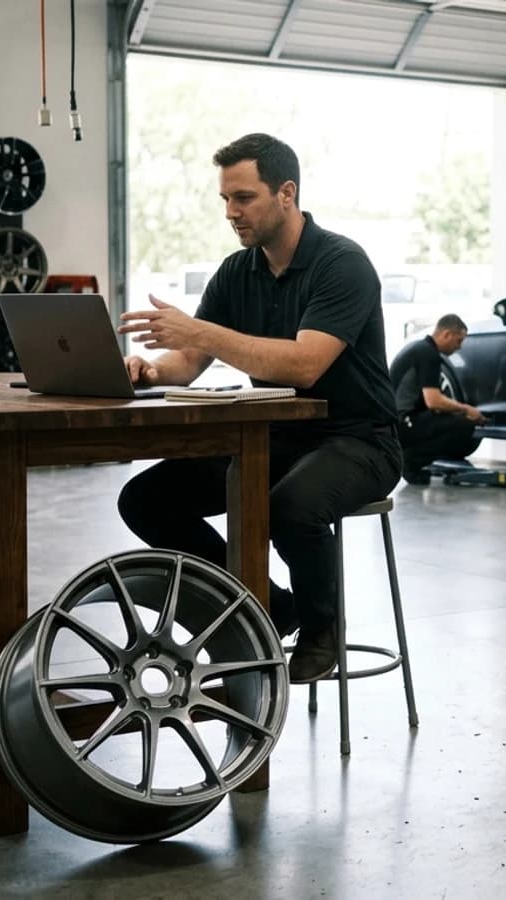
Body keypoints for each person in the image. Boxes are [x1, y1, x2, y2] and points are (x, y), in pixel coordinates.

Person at [115, 133, 400, 684]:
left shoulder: (342, 264)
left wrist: (202, 330)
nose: (230, 212)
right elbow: (191, 359)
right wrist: (151, 370)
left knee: (288, 505)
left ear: (286, 193)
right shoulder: (236, 271)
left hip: (359, 438)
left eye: (243, 198)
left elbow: (304, 366)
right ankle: (270, 606)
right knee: (147, 500)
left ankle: (323, 629)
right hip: (274, 438)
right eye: (225, 199)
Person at [389, 314, 485, 485]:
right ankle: (412, 461)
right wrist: (466, 409)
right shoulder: (429, 354)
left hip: (392, 422)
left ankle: (410, 456)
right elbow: (433, 401)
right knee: (464, 425)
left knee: (448, 419)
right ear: (446, 334)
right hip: (403, 423)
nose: (459, 347)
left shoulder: (416, 348)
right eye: (458, 341)